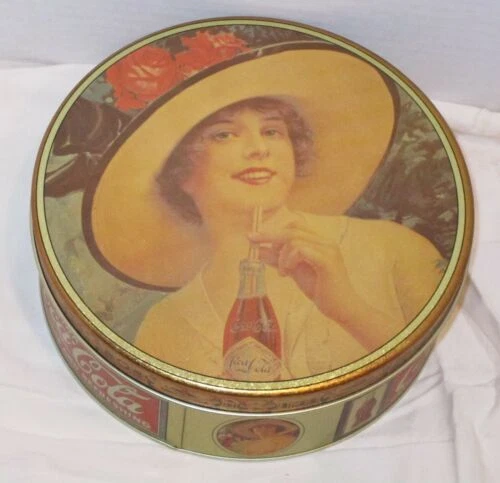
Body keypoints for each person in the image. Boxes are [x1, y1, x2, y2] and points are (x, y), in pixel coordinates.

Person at [88, 46, 445, 379]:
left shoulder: (393, 248)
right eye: (224, 135)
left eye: (272, 131)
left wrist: (349, 308)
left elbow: (443, 365)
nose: (259, 149)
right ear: (180, 171)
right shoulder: (165, 324)